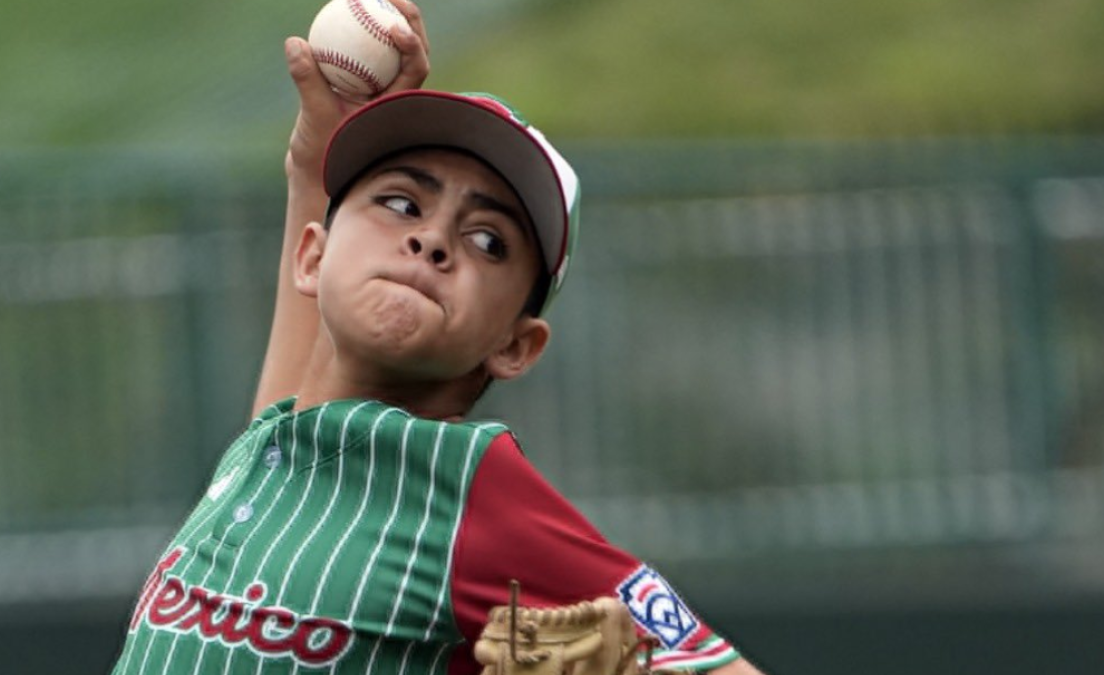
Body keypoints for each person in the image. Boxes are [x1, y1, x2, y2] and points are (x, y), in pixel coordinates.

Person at [111, 2, 764, 673]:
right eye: (401, 203)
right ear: (312, 256)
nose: (431, 238)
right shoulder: (271, 451)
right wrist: (312, 172)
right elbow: (304, 408)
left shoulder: (466, 496)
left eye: (488, 240)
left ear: (516, 344)